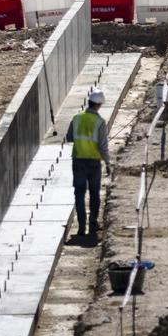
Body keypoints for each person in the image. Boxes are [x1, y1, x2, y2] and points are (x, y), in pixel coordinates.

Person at [65, 90, 111, 240]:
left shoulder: (76, 118)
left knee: (79, 194)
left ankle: (81, 226)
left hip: (78, 161)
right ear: (99, 105)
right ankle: (93, 224)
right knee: (94, 194)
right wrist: (108, 162)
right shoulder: (99, 122)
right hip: (93, 163)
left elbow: (69, 138)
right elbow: (103, 146)